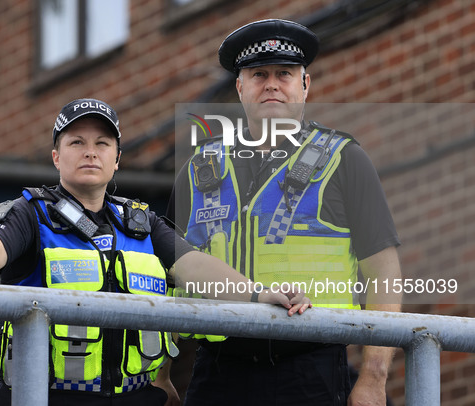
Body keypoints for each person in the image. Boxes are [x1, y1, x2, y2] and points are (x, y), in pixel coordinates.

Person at [0, 98, 311, 406]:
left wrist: (258, 294)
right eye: (76, 142)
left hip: (135, 398)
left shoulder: (142, 222)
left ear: (116, 159)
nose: (90, 152)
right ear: (57, 157)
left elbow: (198, 267)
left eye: (102, 144)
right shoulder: (31, 213)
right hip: (45, 399)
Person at [166, 19, 402, 405]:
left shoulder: (345, 160)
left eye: (284, 74)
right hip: (217, 372)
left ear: (305, 86)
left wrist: (374, 378)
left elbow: (383, 272)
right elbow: (166, 274)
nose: (271, 84)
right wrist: (160, 374)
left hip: (310, 369)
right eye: (258, 74)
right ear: (240, 88)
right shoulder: (197, 169)